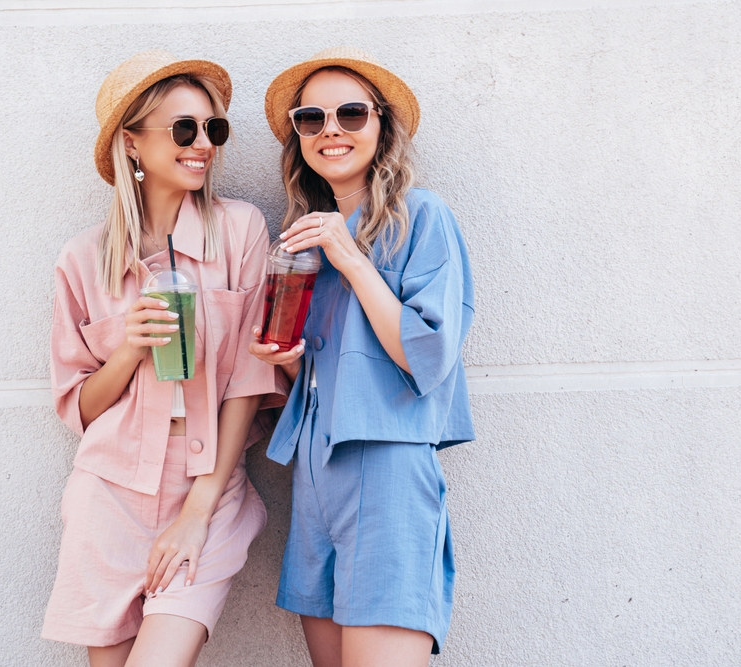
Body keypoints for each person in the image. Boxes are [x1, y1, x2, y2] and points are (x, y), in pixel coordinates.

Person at [42, 50, 283, 667]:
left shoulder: (241, 231)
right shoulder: (83, 260)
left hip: (207, 486)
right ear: (132, 142)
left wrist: (199, 509)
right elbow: (81, 406)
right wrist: (128, 348)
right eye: (184, 129)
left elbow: (249, 381)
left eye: (213, 128)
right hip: (110, 494)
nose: (203, 143)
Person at [249, 46, 475, 667]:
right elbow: (329, 382)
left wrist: (349, 256)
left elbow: (426, 357)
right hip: (317, 477)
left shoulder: (422, 218)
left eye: (351, 114)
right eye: (311, 119)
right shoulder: (302, 239)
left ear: (382, 125)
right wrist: (289, 360)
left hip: (388, 471)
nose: (331, 131)